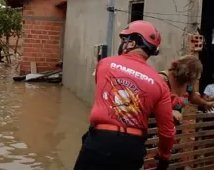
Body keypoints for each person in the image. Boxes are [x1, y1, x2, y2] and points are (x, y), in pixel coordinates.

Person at [74, 20, 175, 170]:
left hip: (99, 141)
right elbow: (167, 130)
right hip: (132, 147)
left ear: (132, 43)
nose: (122, 44)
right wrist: (164, 157)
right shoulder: (160, 84)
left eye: (124, 40)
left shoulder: (105, 64)